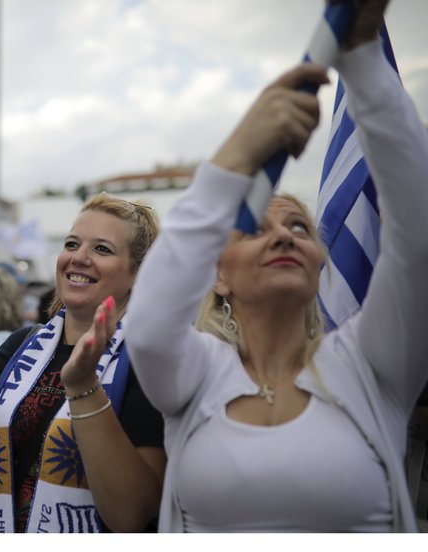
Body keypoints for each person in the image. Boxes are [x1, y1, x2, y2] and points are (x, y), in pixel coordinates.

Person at [124, 0, 428, 532]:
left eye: (299, 228)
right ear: (216, 274)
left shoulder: (373, 364)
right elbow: (148, 327)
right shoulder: (195, 374)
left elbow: (417, 238)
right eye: (257, 229)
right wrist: (237, 153)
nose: (283, 236)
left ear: (318, 264)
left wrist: (361, 61)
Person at [0, 192, 166, 533]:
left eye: (102, 249)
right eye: (72, 244)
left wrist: (85, 390)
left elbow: (130, 517)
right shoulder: (19, 347)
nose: (79, 258)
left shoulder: (149, 360)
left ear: (138, 274)